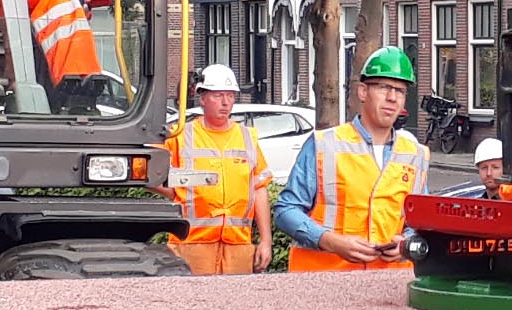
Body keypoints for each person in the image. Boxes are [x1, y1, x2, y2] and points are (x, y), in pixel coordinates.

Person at [276, 48, 431, 270]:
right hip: (325, 279)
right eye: (383, 87)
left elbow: (420, 222)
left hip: (387, 283)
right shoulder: (324, 145)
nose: (392, 97)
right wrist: (329, 241)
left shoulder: (416, 155)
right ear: (363, 92)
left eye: (400, 90)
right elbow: (286, 211)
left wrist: (406, 243)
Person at [162, 63, 272, 274]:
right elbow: (145, 172)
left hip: (238, 246)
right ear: (202, 98)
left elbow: (259, 188)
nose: (225, 102)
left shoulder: (247, 137)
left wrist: (266, 241)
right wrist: (177, 192)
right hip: (190, 243)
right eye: (218, 95)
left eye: (230, 96)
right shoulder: (180, 135)